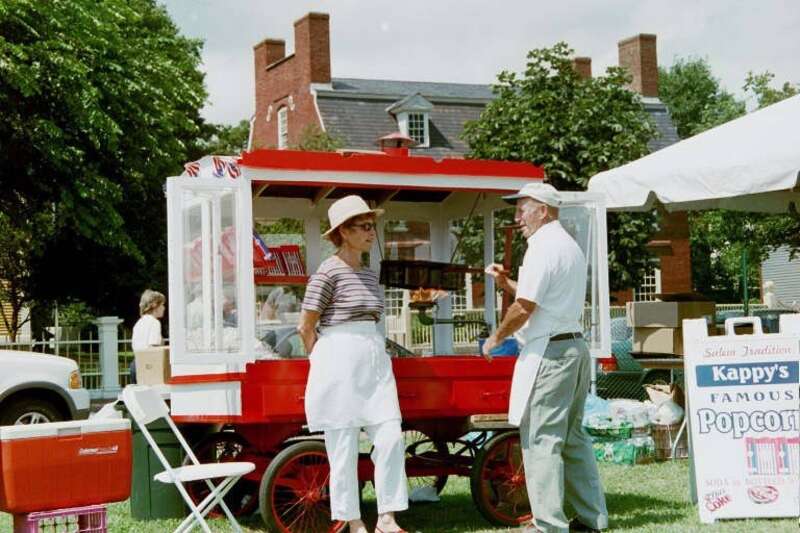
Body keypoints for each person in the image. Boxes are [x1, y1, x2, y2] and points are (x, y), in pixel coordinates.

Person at [482, 183, 608, 533]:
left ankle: (548, 524)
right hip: (574, 347)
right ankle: (590, 518)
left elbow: (525, 306)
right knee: (573, 438)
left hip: (551, 353)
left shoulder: (540, 247)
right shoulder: (567, 245)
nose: (517, 216)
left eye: (523, 208)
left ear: (545, 210)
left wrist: (496, 338)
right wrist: (507, 283)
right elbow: (539, 297)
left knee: (541, 440)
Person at [298, 195, 408, 533]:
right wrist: (321, 357)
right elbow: (306, 325)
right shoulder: (327, 272)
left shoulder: (370, 274)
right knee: (342, 443)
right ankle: (354, 521)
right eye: (363, 226)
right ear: (343, 232)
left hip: (373, 358)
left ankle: (387, 517)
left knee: (390, 435)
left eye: (371, 226)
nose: (370, 232)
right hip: (338, 358)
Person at [130, 289, 166, 383]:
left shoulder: (139, 323)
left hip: (135, 364)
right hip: (148, 366)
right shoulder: (154, 323)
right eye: (162, 304)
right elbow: (153, 348)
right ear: (154, 305)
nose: (164, 308)